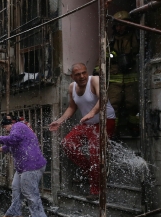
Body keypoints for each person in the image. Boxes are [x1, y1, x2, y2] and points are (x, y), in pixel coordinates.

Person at [49, 63, 116, 200]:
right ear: (72, 76)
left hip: (105, 121)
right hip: (88, 122)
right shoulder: (72, 87)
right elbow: (72, 107)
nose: (82, 76)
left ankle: (96, 190)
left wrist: (92, 113)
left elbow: (103, 98)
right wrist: (60, 121)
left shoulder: (95, 80)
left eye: (84, 73)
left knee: (94, 152)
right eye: (78, 74)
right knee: (67, 143)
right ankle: (91, 173)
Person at [0, 117, 49, 217]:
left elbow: (14, 138)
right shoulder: (19, 128)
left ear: (10, 123)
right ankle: (14, 213)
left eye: (5, 126)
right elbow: (15, 143)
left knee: (30, 192)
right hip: (23, 167)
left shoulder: (18, 126)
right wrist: (2, 149)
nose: (6, 129)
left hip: (31, 165)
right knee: (16, 189)